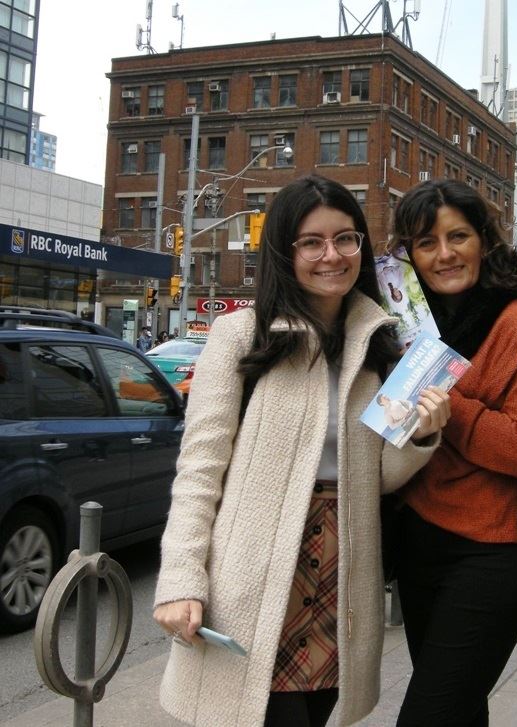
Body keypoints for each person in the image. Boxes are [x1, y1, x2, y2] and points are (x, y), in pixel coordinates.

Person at [153, 175, 451, 727]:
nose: (331, 256)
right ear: (284, 251)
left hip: (344, 568)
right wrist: (180, 579)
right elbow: (200, 469)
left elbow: (377, 477)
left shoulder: (380, 344)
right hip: (255, 568)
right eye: (311, 242)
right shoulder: (242, 334)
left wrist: (420, 435)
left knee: (314, 714)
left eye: (345, 239)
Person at [391, 179, 517, 726]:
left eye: (458, 236)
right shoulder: (401, 328)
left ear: (483, 240)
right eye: (426, 243)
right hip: (418, 544)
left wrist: (448, 405)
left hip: (491, 555)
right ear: (409, 255)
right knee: (460, 713)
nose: (444, 254)